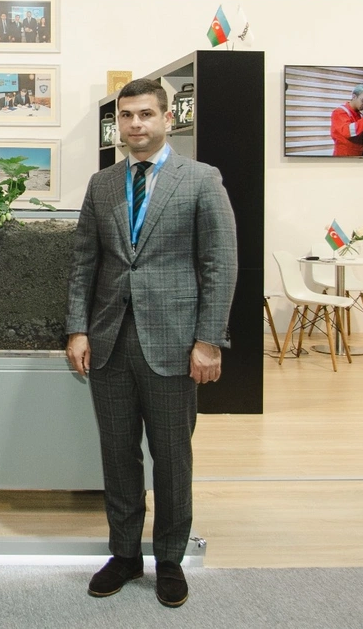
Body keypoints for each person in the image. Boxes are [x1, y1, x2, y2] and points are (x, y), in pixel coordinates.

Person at [65, 77, 237, 609]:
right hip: (109, 341)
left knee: (171, 458)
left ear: (168, 118)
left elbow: (220, 263)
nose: (135, 124)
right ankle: (123, 554)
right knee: (118, 455)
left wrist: (208, 340)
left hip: (175, 343)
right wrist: (77, 328)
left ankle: (169, 560)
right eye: (126, 116)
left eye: (145, 114)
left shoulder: (202, 179)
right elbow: (85, 263)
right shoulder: (103, 184)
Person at [330, 84, 363, 156]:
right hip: (343, 156)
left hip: (358, 156)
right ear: (354, 96)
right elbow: (348, 132)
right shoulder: (340, 112)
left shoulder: (360, 115)